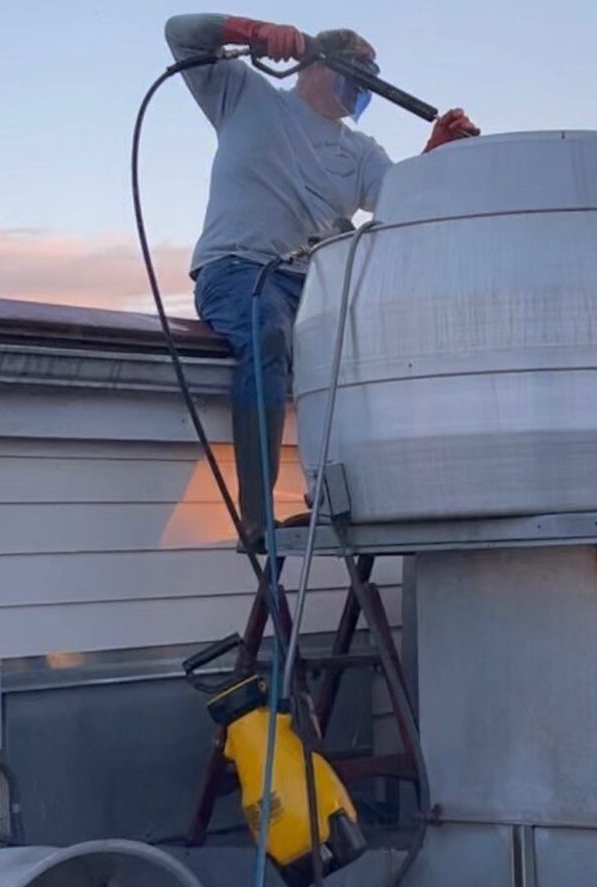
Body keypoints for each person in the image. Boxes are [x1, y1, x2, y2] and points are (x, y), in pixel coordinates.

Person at [165, 14, 478, 542]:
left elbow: (402, 203)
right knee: (266, 335)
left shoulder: (359, 152)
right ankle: (257, 515)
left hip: (313, 284)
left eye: (369, 79)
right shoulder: (244, 95)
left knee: (364, 362)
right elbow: (181, 32)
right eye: (355, 73)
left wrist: (433, 158)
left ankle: (335, 499)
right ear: (313, 66)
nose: (360, 88)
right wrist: (255, 32)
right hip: (237, 270)